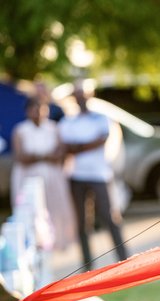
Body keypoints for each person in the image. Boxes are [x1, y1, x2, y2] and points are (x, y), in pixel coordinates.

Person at [58, 83, 128, 271]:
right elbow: (65, 147)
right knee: (82, 222)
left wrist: (78, 147)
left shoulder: (101, 118)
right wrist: (83, 146)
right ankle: (87, 265)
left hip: (99, 174)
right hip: (76, 175)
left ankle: (124, 259)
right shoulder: (68, 122)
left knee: (108, 216)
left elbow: (101, 140)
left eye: (83, 95)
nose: (80, 99)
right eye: (77, 96)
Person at [11, 97, 76, 251]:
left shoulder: (54, 128)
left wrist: (37, 156)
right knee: (30, 213)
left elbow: (59, 154)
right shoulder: (20, 130)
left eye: (41, 108)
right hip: (28, 179)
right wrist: (45, 156)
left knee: (55, 210)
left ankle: (55, 243)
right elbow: (21, 157)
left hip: (52, 178)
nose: (38, 112)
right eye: (34, 108)